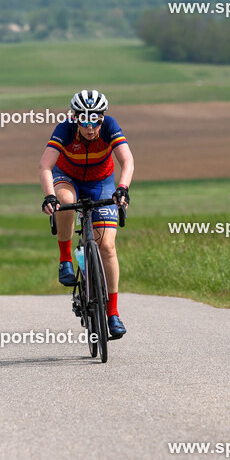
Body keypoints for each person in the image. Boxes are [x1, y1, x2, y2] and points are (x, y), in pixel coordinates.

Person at [39, 90, 134, 339]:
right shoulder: (65, 128)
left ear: (103, 118)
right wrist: (49, 195)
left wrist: (122, 188)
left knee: (108, 248)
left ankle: (112, 313)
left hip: (101, 182)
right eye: (84, 121)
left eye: (96, 121)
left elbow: (127, 161)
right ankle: (66, 259)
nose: (91, 127)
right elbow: (45, 165)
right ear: (75, 117)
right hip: (67, 177)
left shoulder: (110, 126)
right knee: (66, 200)